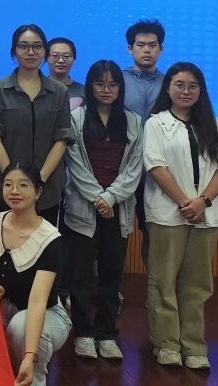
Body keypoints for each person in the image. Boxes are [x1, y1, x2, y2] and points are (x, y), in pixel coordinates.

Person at [143, 62, 218, 369]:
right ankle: (166, 343)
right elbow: (155, 166)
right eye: (179, 85)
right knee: (163, 280)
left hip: (204, 216)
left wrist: (203, 202)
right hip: (167, 214)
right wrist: (186, 202)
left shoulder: (211, 122)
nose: (186, 91)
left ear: (201, 90)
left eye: (193, 86)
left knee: (197, 283)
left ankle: (194, 345)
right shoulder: (156, 123)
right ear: (168, 88)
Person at [63, 60, 143, 361]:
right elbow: (74, 163)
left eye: (112, 84)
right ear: (90, 86)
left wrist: (110, 198)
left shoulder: (133, 121)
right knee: (81, 275)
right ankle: (83, 332)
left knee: (111, 275)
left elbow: (135, 167)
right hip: (84, 207)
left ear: (120, 87)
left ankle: (107, 333)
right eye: (100, 83)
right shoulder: (76, 117)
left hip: (117, 209)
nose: (106, 90)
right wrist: (99, 197)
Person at [0, 163, 70, 386]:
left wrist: (29, 357)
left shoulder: (50, 238)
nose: (14, 191)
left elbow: (38, 300)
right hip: (6, 307)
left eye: (23, 185)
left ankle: (34, 378)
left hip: (46, 314)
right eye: (8, 185)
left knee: (20, 327)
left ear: (38, 192)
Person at [0, 24, 74, 226]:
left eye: (37, 46)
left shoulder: (59, 91)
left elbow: (62, 140)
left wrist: (37, 182)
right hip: (5, 188)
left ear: (45, 51)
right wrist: (14, 183)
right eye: (23, 46)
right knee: (4, 241)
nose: (30, 52)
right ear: (14, 51)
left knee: (45, 243)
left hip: (47, 188)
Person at [124, 19, 165, 264]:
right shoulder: (116, 81)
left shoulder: (171, 83)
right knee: (115, 233)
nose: (147, 50)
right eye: (141, 45)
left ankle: (155, 286)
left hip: (158, 172)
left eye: (152, 45)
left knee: (154, 233)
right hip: (122, 170)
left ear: (161, 48)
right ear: (130, 48)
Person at [46, 37, 86, 110]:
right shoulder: (38, 88)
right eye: (55, 56)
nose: (61, 60)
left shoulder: (83, 91)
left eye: (66, 56)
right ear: (46, 58)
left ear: (74, 59)